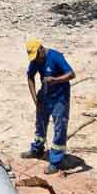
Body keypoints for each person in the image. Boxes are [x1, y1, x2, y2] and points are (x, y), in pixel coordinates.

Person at [23, 39, 75, 173]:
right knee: (40, 123)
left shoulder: (56, 57)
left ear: (41, 49)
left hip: (60, 98)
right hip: (45, 96)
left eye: (37, 56)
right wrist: (35, 100)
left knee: (60, 127)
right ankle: (37, 149)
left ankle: (56, 161)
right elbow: (30, 77)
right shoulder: (35, 60)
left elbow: (71, 74)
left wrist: (55, 80)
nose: (36, 60)